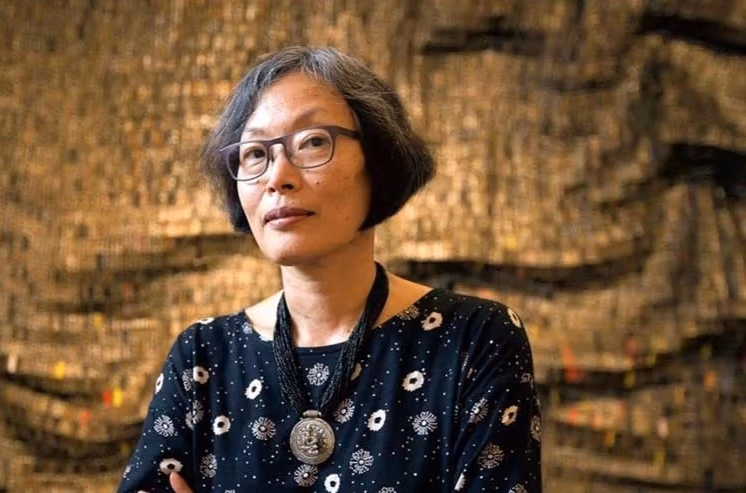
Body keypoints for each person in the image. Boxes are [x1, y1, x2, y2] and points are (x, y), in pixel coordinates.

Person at [117, 46, 541, 493]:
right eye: (255, 154)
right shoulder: (203, 357)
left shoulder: (475, 340)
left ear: (377, 161)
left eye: (313, 142)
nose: (277, 176)